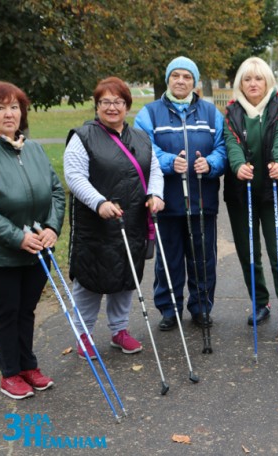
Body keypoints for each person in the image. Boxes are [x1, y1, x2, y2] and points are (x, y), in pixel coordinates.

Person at [65, 77, 164, 359]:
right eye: (105, 102)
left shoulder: (141, 138)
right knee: (91, 278)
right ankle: (83, 335)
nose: (112, 107)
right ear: (96, 106)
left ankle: (119, 331)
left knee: (125, 274)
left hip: (131, 220)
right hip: (95, 224)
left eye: (117, 102)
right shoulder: (83, 137)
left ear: (127, 105)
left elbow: (154, 170)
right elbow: (74, 177)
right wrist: (99, 203)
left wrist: (156, 194)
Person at [0, 81, 65, 399]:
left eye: (14, 107)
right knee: (5, 312)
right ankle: (10, 373)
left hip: (38, 249)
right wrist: (16, 237)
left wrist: (52, 227)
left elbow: (56, 191)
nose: (9, 113)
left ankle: (27, 364)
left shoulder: (32, 148)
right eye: (0, 107)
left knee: (26, 310)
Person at [134, 56, 227, 330]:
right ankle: (169, 308)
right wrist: (168, 162)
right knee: (168, 259)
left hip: (202, 201)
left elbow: (223, 148)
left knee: (203, 258)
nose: (181, 81)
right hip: (167, 200)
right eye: (176, 76)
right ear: (167, 80)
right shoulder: (149, 113)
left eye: (187, 76)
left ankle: (201, 307)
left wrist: (209, 164)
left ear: (194, 82)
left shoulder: (211, 113)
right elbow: (144, 147)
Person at [223, 56, 278, 340]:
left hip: (275, 189)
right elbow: (231, 143)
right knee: (248, 252)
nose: (253, 84)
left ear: (267, 81)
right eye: (247, 79)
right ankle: (260, 301)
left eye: (258, 78)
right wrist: (238, 165)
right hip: (241, 191)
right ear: (240, 84)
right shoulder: (231, 111)